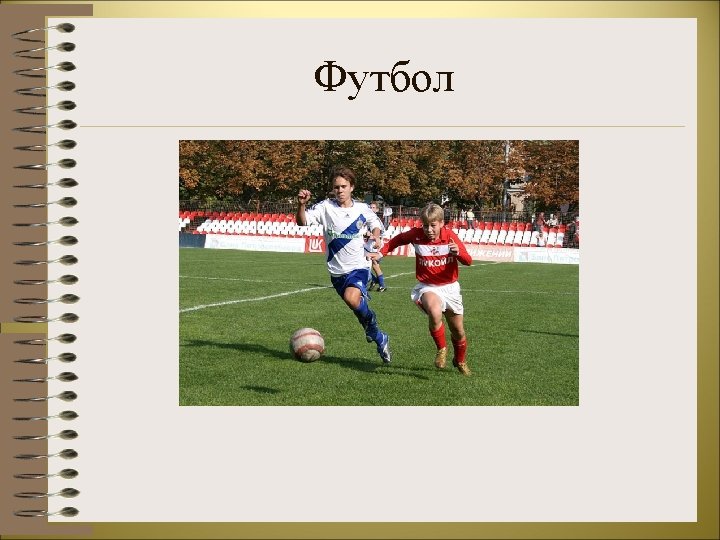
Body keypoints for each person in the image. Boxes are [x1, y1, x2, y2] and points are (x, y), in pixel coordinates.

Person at [296, 167, 391, 364]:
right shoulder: (325, 207)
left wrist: (376, 235)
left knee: (351, 297)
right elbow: (302, 222)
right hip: (336, 273)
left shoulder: (361, 209)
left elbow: (375, 223)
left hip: (359, 266)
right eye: (336, 187)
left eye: (343, 186)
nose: (339, 190)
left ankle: (374, 329)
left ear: (352, 187)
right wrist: (301, 205)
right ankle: (378, 336)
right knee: (354, 305)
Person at [376, 202, 473, 375]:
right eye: (425, 225)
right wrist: (381, 252)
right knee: (434, 311)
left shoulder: (450, 237)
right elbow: (398, 240)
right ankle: (441, 349)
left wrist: (457, 252)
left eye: (433, 225)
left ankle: (460, 360)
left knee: (458, 331)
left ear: (441, 223)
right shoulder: (416, 234)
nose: (429, 229)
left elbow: (468, 261)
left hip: (450, 288)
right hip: (428, 287)